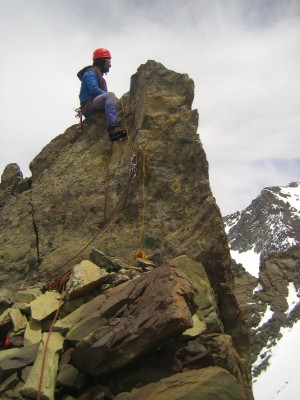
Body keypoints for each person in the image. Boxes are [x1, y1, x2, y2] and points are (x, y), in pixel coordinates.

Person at [77, 48, 126, 141]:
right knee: (110, 95)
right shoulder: (90, 73)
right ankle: (113, 128)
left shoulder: (97, 74)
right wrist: (112, 97)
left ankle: (113, 127)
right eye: (108, 61)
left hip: (92, 103)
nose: (110, 65)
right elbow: (94, 90)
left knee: (110, 96)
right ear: (102, 61)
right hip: (89, 105)